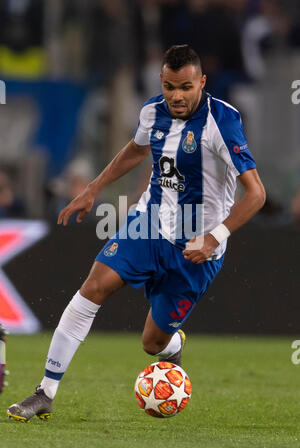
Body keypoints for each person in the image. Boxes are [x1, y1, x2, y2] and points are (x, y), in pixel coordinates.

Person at [7, 45, 266, 422]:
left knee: (152, 343)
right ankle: (45, 392)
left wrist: (214, 238)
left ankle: (172, 342)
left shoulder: (222, 122)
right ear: (161, 82)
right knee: (94, 286)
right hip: (148, 224)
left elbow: (257, 194)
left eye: (186, 87)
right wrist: (93, 188)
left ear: (202, 83)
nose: (176, 95)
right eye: (169, 86)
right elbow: (135, 149)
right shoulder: (152, 111)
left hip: (197, 245)